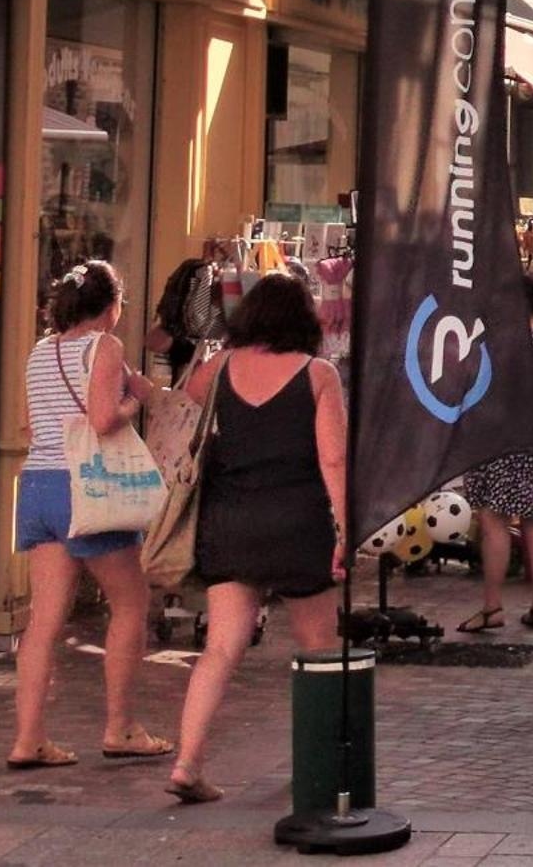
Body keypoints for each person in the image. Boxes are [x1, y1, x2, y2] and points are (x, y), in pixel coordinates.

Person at [170, 272, 346, 803]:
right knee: (318, 648)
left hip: (230, 523)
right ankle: (317, 763)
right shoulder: (319, 375)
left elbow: (181, 409)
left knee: (220, 648)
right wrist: (344, 525)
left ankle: (187, 762)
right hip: (299, 523)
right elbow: (332, 457)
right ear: (303, 320)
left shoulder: (218, 367)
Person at [8, 261, 171, 772]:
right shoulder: (106, 346)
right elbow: (102, 420)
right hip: (88, 488)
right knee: (129, 603)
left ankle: (28, 739)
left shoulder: (41, 351)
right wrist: (127, 404)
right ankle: (121, 727)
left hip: (39, 485)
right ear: (111, 307)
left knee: (43, 621)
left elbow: (30, 426)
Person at [459, 274, 533, 635]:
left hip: (501, 439)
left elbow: (484, 386)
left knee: (494, 521)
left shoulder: (505, 339)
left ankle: (492, 605)